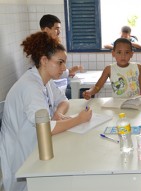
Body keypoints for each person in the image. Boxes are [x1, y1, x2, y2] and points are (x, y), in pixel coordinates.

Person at [0, 32, 92, 191]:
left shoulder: (44, 81)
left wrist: (58, 113)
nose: (64, 68)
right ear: (44, 60)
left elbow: (62, 99)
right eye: (60, 62)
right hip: (22, 152)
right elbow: (47, 129)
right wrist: (79, 119)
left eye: (65, 63)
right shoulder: (30, 87)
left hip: (37, 146)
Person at [40, 14, 83, 98]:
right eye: (56, 29)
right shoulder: (42, 49)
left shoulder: (52, 44)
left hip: (58, 83)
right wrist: (70, 71)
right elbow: (50, 72)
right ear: (46, 29)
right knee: (83, 94)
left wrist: (67, 72)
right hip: (54, 87)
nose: (59, 32)